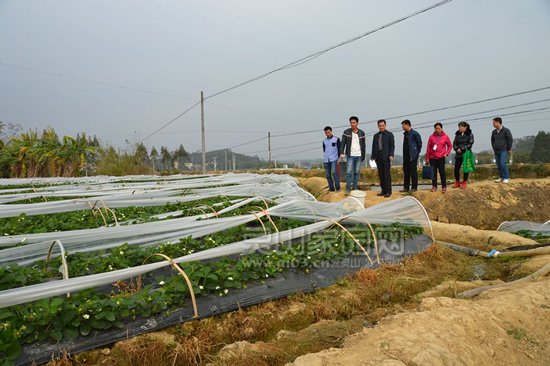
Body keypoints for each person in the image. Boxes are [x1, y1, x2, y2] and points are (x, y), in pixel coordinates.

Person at [340, 116, 366, 192]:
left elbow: (363, 145)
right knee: (348, 172)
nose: (352, 124)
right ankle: (348, 188)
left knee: (356, 172)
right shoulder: (346, 132)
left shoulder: (362, 133)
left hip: (359, 155)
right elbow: (343, 143)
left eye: (354, 122)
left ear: (357, 123)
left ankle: (355, 187)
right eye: (351, 123)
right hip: (350, 155)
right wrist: (342, 152)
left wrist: (363, 155)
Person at [371, 119, 395, 197]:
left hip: (386, 157)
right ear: (378, 126)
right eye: (380, 126)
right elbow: (374, 147)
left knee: (386, 175)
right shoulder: (376, 136)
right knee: (381, 174)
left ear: (385, 125)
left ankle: (388, 191)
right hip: (378, 157)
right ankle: (383, 190)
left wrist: (391, 155)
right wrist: (372, 156)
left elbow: (392, 146)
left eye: (383, 125)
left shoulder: (389, 134)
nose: (381, 127)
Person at [426, 122, 452, 193]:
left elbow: (450, 146)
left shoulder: (445, 136)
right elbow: (428, 148)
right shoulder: (431, 137)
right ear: (434, 129)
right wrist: (427, 158)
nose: (437, 130)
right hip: (432, 158)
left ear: (441, 128)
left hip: (441, 158)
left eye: (439, 128)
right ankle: (434, 186)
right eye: (436, 128)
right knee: (433, 173)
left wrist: (446, 153)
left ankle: (444, 186)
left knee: (442, 172)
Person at [400, 119, 422, 193]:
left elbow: (419, 144)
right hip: (406, 156)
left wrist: (416, 153)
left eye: (403, 126)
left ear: (407, 125)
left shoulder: (415, 133)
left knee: (413, 172)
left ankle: (414, 187)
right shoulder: (405, 134)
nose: (402, 127)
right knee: (406, 172)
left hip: (412, 156)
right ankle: (406, 187)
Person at [452, 121, 474, 189]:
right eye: (459, 126)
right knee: (456, 169)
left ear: (465, 127)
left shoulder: (470, 134)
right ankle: (457, 182)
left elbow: (470, 143)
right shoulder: (457, 135)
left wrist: (462, 148)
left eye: (461, 126)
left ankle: (464, 182)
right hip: (458, 154)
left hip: (465, 153)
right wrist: (456, 149)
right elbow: (454, 143)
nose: (460, 128)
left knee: (465, 169)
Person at [491, 117, 513, 183]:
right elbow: (492, 140)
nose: (493, 124)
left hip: (503, 150)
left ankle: (506, 177)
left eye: (494, 122)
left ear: (498, 122)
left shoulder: (506, 130)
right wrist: (494, 147)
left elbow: (510, 140)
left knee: (503, 163)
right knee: (498, 164)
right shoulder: (494, 132)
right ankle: (501, 177)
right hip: (496, 150)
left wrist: (509, 148)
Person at [322, 126, 341, 192]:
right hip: (326, 159)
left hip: (334, 159)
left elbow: (339, 149)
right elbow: (324, 150)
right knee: (327, 174)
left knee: (334, 172)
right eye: (326, 133)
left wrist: (338, 159)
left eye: (328, 132)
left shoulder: (336, 139)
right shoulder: (324, 141)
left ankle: (337, 187)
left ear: (331, 131)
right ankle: (331, 188)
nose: (327, 134)